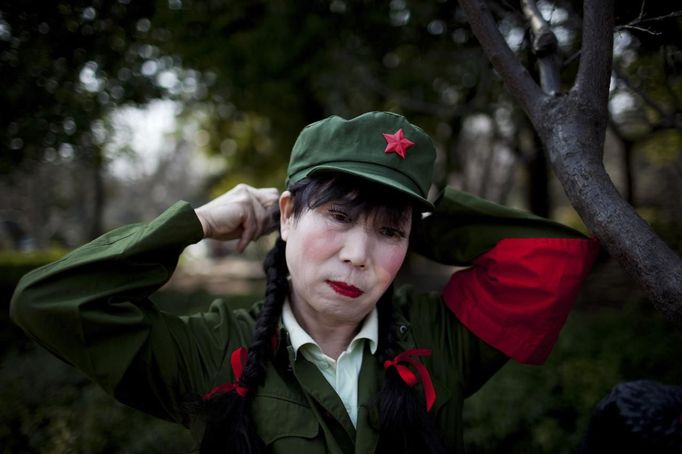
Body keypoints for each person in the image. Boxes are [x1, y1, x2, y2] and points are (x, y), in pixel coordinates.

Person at [10, 112, 599, 453]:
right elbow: (50, 301)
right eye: (338, 217)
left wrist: (427, 211)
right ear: (286, 215)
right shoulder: (211, 353)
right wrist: (195, 223)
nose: (358, 255)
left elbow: (556, 257)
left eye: (388, 232)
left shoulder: (437, 341)